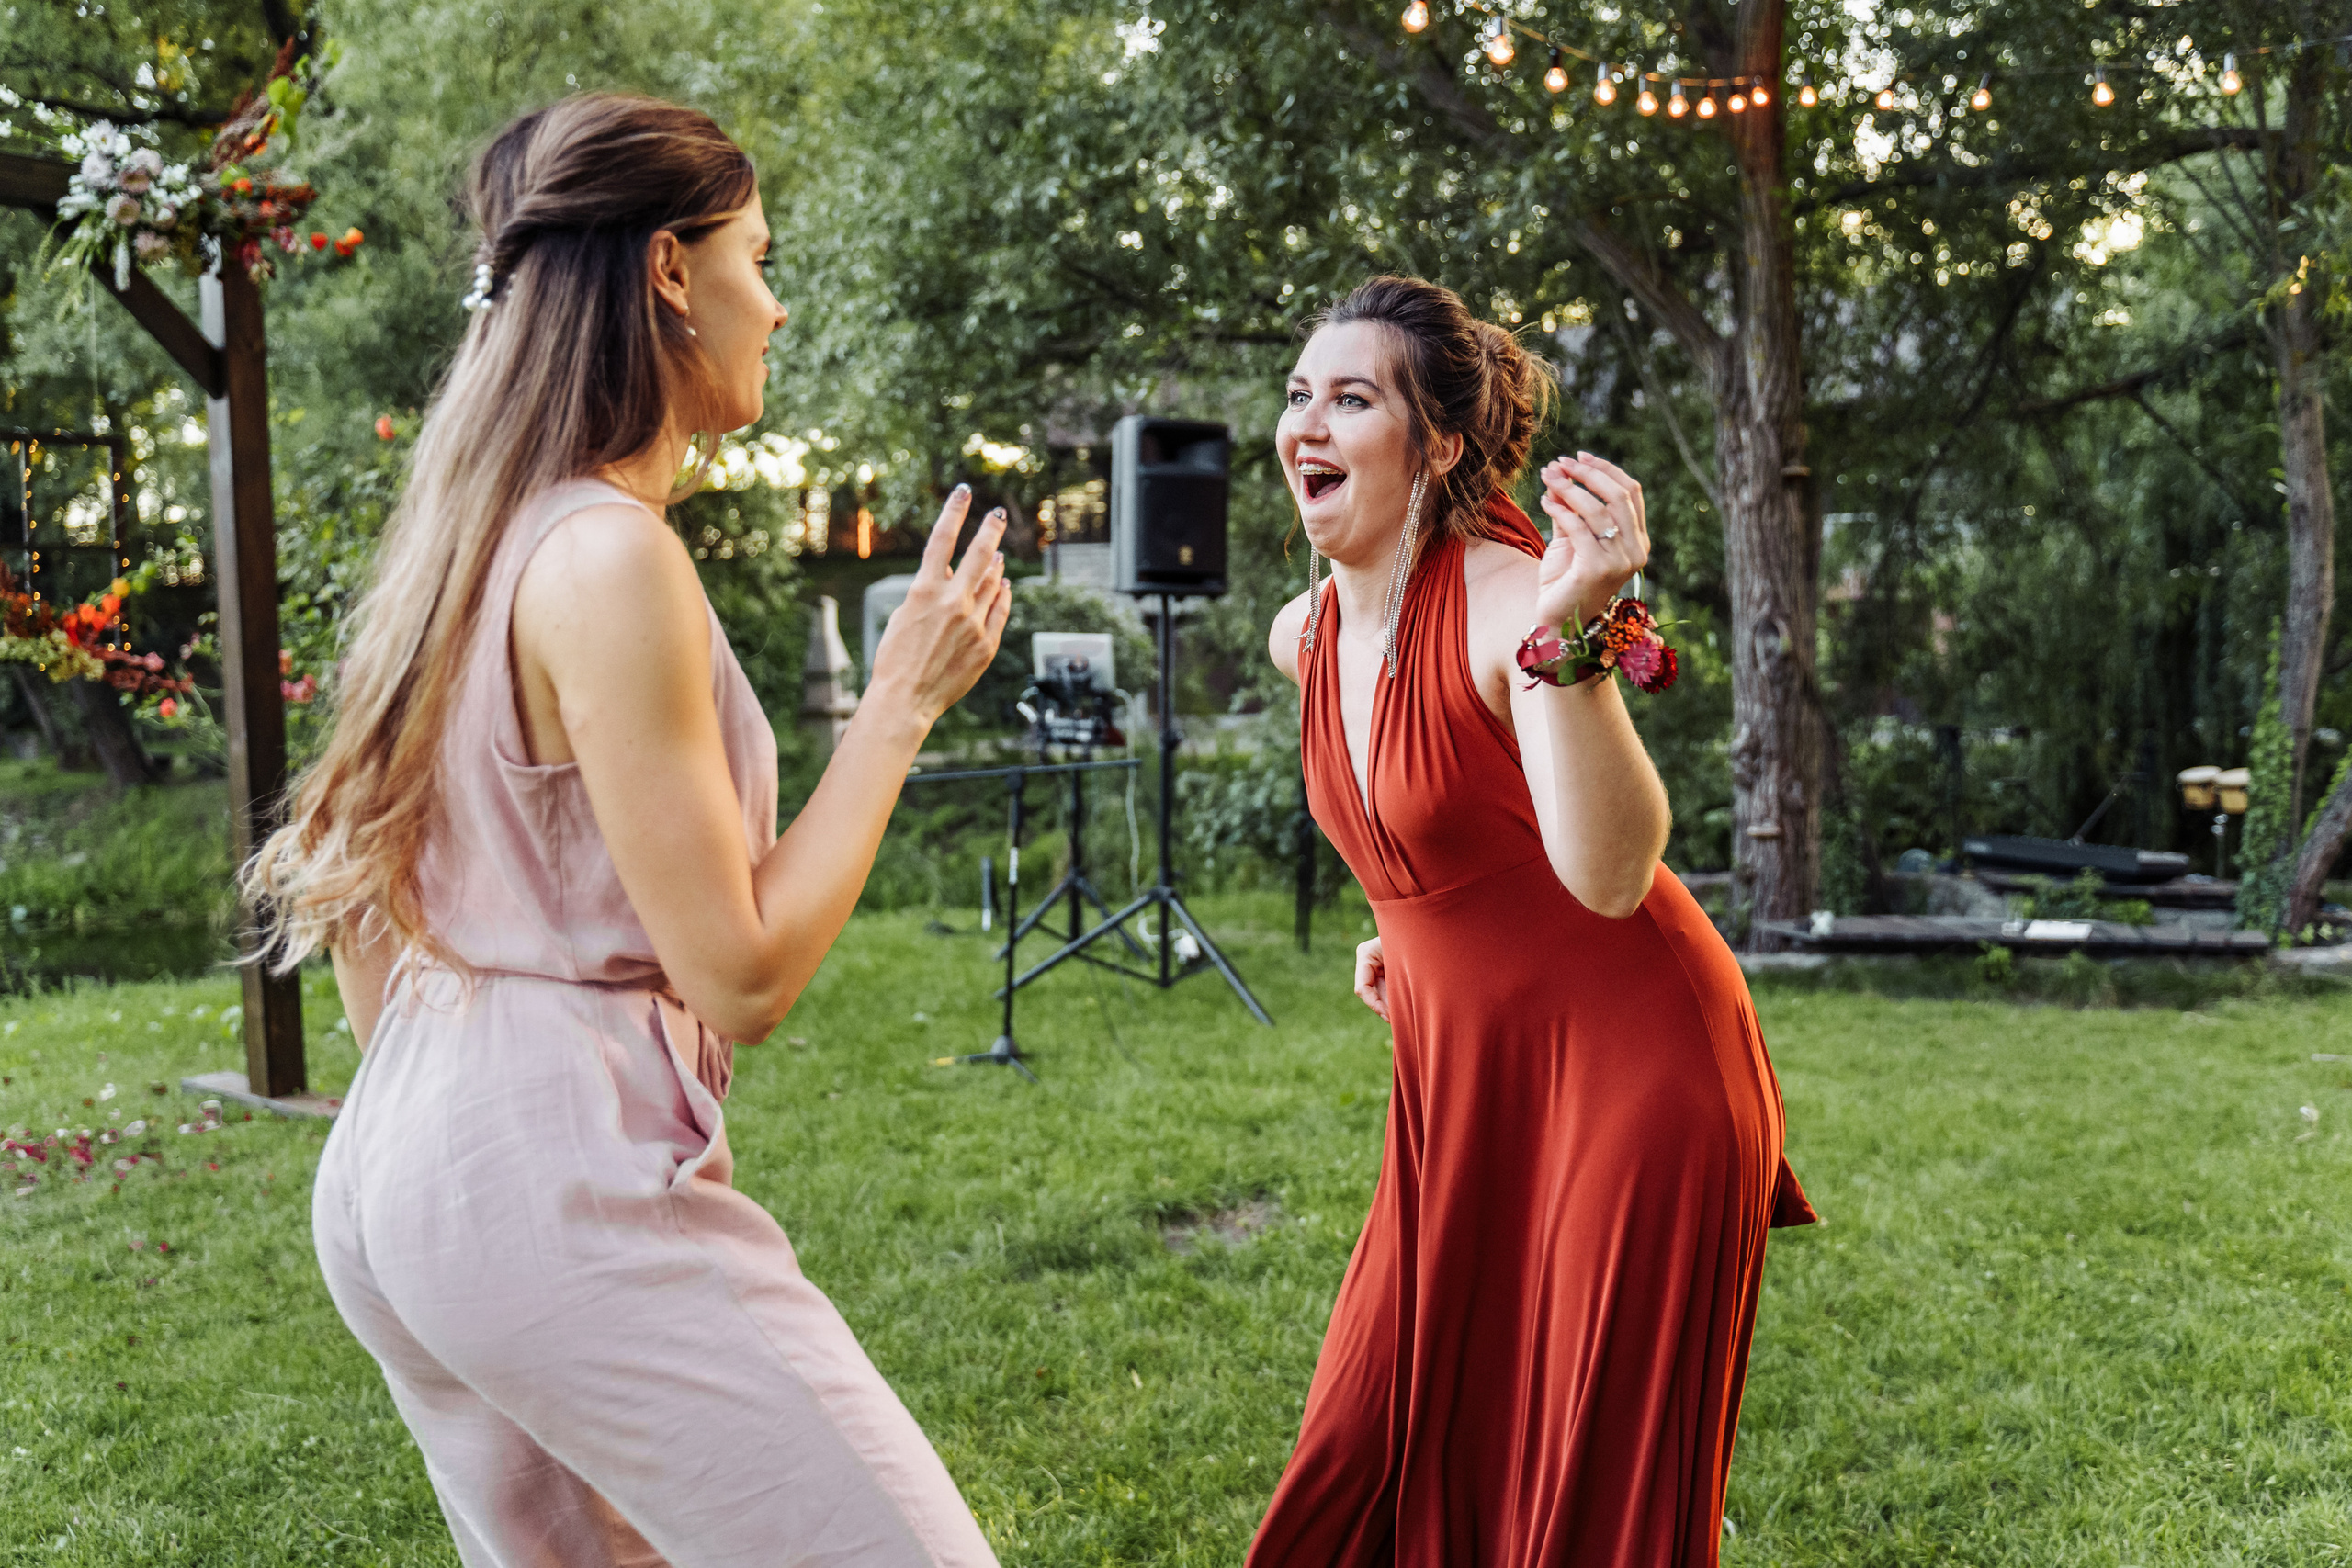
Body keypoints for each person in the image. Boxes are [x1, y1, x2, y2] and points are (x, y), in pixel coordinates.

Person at [245, 95, 1009, 1567]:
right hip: (548, 1177)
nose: (773, 305)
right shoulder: (608, 555)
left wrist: (453, 1138)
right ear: (671, 271)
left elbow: (362, 924)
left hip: (403, 1159)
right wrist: (899, 705)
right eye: (758, 258)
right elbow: (740, 974)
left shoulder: (469, 540)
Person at [1249, 275, 1815, 1568]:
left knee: (1580, 1496)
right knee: (1367, 1446)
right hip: (1467, 1083)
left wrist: (1570, 629)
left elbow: (1610, 874)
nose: (1308, 429)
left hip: (1639, 1079)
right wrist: (1424, 935)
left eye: (1352, 399)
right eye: (1298, 397)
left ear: (1437, 445)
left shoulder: (1514, 606)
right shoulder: (1306, 630)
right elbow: (1448, 834)